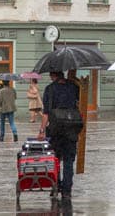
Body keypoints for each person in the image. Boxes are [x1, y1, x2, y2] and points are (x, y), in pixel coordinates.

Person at [38, 71, 80, 201]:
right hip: (71, 128)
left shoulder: (49, 89)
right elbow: (79, 105)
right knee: (68, 160)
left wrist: (41, 130)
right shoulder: (74, 87)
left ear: (52, 75)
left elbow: (46, 113)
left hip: (55, 130)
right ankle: (67, 191)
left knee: (55, 160)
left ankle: (56, 186)